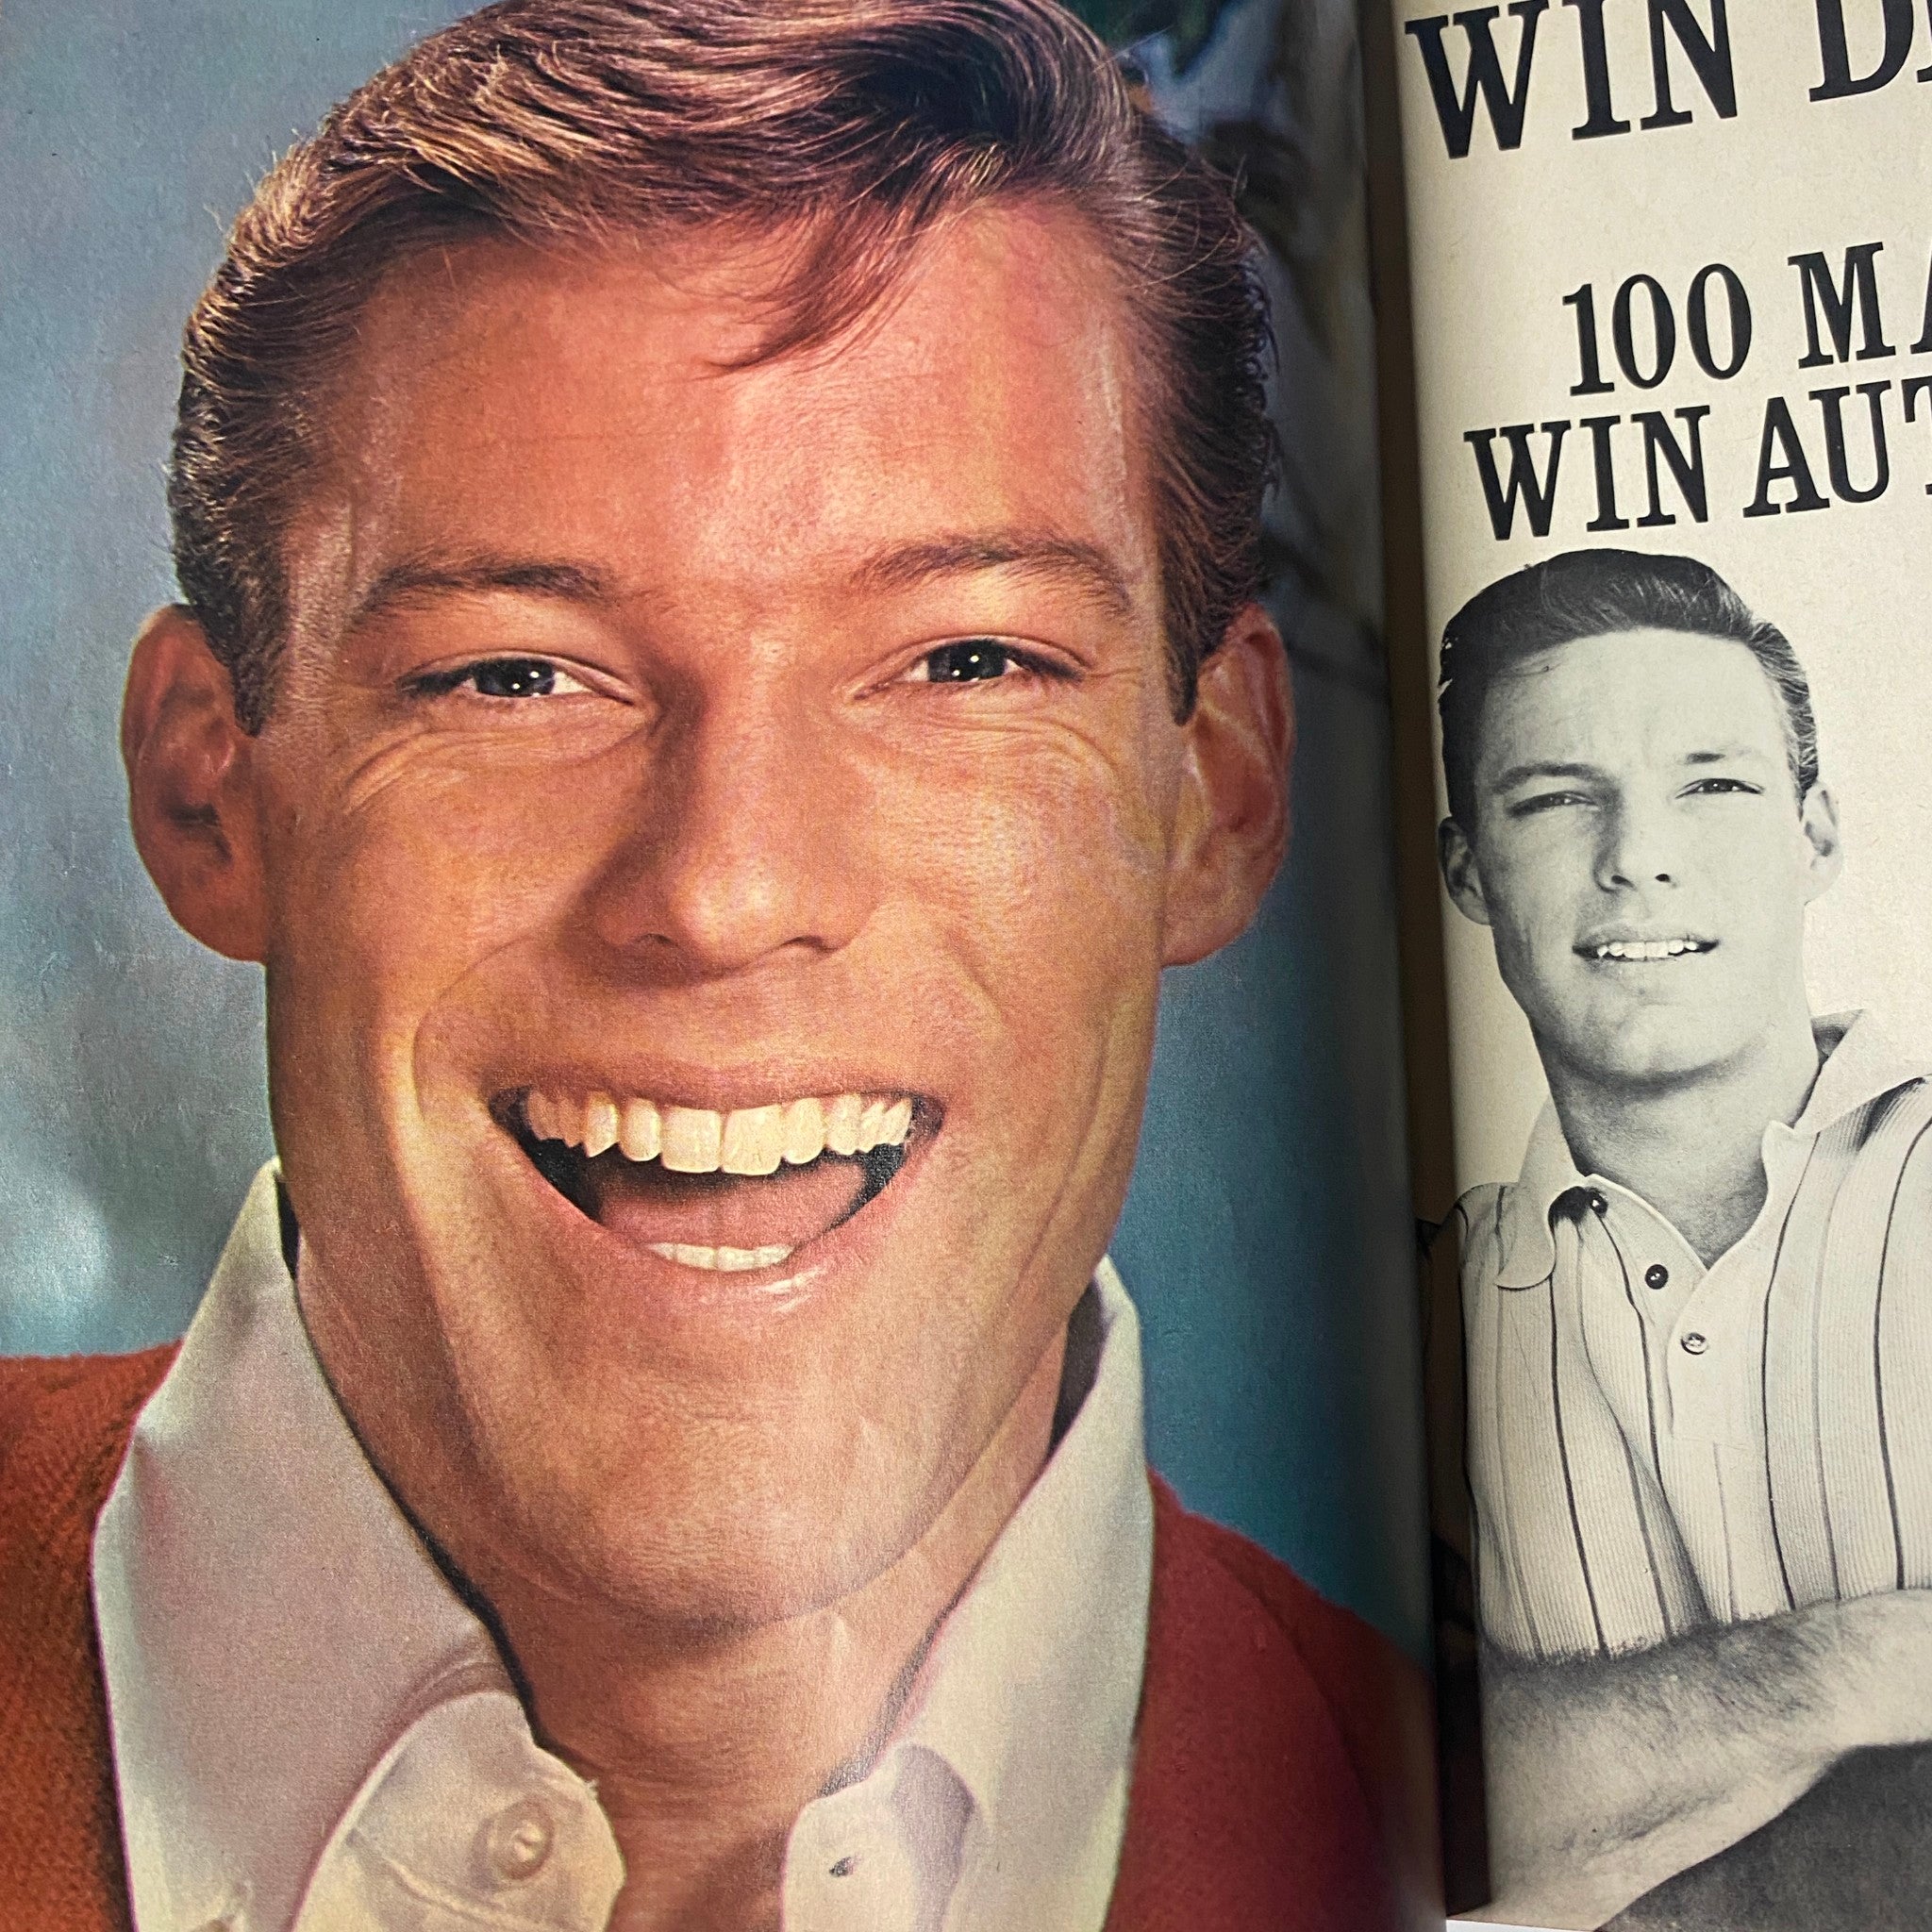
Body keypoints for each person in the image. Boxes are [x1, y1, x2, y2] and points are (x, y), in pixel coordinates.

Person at [0, 3, 1434, 1928]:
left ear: (1216, 796)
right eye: (514, 673)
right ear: (208, 795)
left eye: (963, 661)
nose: (725, 886)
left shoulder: (1529, 1850)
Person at [1430, 546, 1932, 1927]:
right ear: (1469, 873)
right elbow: (1417, 1809)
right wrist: (1856, 1670)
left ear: (1815, 832)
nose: (1636, 858)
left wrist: (1614, 1766)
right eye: (1552, 800)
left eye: (1712, 786)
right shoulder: (1412, 1316)